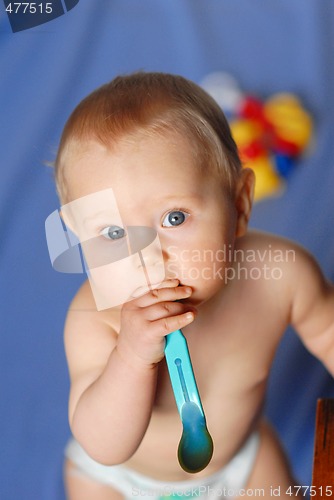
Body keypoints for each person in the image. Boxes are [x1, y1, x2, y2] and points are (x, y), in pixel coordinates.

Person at [53, 72, 334, 499]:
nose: (145, 257)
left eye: (174, 218)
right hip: (119, 479)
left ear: (238, 205)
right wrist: (130, 357)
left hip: (241, 461)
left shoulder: (281, 275)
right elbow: (104, 445)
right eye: (112, 234)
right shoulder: (94, 320)